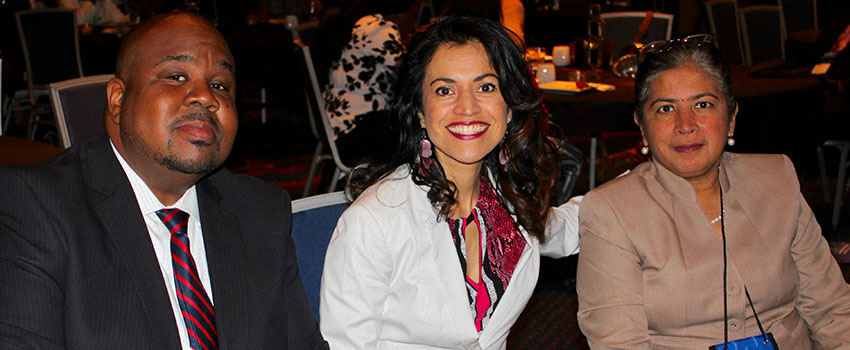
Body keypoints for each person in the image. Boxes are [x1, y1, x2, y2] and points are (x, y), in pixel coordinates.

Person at [0, 13, 328, 349]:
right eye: (176, 76)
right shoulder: (36, 206)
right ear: (117, 100)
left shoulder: (260, 210)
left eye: (219, 85)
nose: (205, 97)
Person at [319, 16, 581, 349]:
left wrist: (652, 184)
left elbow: (569, 226)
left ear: (509, 107)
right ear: (420, 112)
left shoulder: (508, 198)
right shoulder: (374, 222)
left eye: (485, 87)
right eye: (445, 90)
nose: (467, 107)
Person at [576, 34, 850, 349]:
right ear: (642, 126)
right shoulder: (612, 211)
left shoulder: (777, 179)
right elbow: (618, 344)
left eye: (703, 104)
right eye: (665, 109)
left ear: (731, 118)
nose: (685, 124)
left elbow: (833, 312)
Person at [318, 0, 419, 166]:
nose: (413, 24)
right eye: (413, 17)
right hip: (355, 132)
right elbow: (411, 73)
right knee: (419, 127)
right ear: (399, 13)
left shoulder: (354, 22)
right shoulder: (378, 29)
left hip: (338, 126)